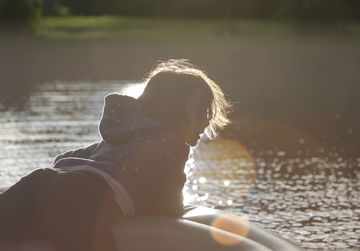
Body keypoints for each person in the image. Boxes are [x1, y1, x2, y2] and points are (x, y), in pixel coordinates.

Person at [0, 59, 231, 251]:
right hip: (83, 195)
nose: (206, 121)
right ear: (173, 109)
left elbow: (67, 158)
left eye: (208, 113)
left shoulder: (123, 136)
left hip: (44, 180)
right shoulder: (172, 144)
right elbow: (169, 207)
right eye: (201, 111)